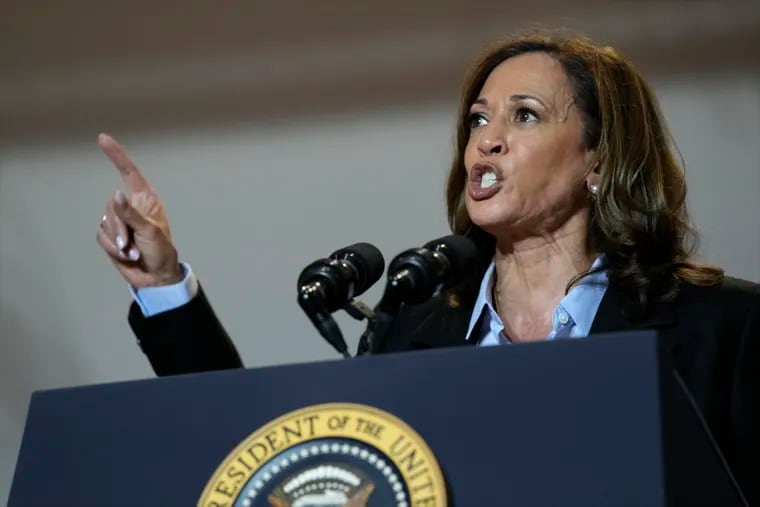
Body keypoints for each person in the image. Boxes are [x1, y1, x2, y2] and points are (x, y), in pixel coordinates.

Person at [96, 34, 759, 503]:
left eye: (523, 116)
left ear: (600, 159)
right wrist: (163, 287)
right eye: (478, 119)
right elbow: (266, 461)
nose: (486, 140)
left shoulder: (723, 328)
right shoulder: (405, 331)